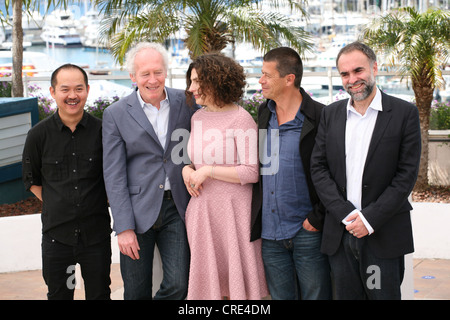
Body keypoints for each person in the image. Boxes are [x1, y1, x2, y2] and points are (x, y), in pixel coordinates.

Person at [310, 41, 421, 299]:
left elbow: (405, 177)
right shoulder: (331, 114)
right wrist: (347, 215)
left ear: (375, 68)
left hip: (382, 233)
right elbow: (318, 168)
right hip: (341, 233)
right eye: (345, 74)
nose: (352, 79)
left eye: (358, 71)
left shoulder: (404, 113)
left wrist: (368, 220)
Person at [102, 42, 196, 300]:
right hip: (135, 212)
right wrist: (123, 227)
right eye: (145, 74)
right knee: (135, 291)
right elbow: (114, 174)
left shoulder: (187, 102)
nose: (152, 80)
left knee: (179, 284)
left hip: (178, 207)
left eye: (158, 72)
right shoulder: (115, 114)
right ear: (133, 77)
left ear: (166, 72)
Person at [22, 63, 112, 300]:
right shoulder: (38, 135)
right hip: (57, 237)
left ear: (87, 90)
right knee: (60, 295)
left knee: (100, 294)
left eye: (79, 89)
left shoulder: (103, 132)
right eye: (65, 89)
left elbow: (114, 176)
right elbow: (31, 180)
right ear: (53, 92)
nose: (72, 95)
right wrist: (57, 202)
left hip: (96, 236)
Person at [183, 53, 268, 300]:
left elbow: (251, 172)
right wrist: (186, 170)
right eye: (191, 81)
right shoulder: (197, 117)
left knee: (236, 290)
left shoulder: (241, 119)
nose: (191, 88)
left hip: (234, 215)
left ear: (216, 80)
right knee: (209, 290)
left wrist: (208, 171)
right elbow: (194, 161)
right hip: (202, 213)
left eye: (198, 81)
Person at [250, 47, 331, 300]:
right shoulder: (264, 113)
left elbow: (335, 172)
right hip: (270, 235)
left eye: (267, 75)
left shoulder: (321, 116)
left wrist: (316, 219)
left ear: (289, 79)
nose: (260, 80)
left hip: (307, 232)